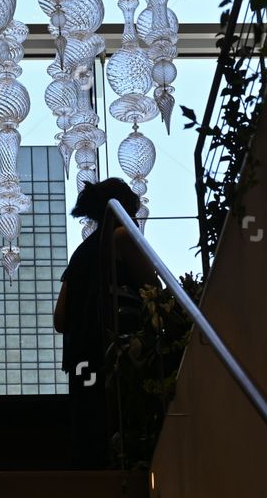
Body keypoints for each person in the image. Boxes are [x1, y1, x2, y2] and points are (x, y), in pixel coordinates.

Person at [54, 178, 159, 469]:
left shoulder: (80, 254)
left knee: (89, 427)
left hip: (81, 356)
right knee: (122, 419)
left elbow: (60, 319)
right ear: (124, 209)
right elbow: (153, 288)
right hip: (117, 351)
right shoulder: (123, 237)